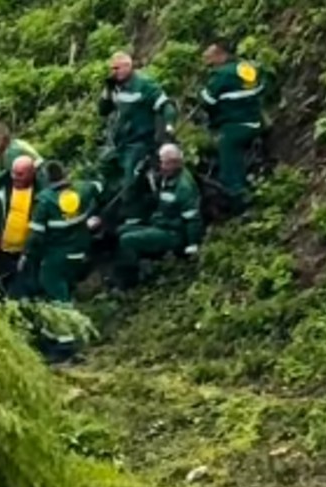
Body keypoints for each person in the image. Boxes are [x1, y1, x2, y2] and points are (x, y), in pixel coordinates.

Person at [98, 51, 178, 227]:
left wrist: (169, 127)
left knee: (131, 179)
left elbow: (167, 106)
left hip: (139, 142)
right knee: (103, 167)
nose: (114, 72)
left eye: (117, 68)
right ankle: (109, 208)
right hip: (120, 142)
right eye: (112, 69)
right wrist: (107, 90)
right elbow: (103, 110)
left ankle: (134, 217)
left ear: (128, 66)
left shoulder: (144, 85)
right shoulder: (115, 87)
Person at [115, 144, 203, 289]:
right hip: (159, 223)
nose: (160, 166)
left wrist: (193, 245)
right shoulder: (166, 179)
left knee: (127, 240)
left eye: (164, 163)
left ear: (174, 163)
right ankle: (141, 263)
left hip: (173, 233)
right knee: (121, 230)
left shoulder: (184, 187)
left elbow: (193, 218)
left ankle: (129, 282)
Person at [200, 41, 267, 214]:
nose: (207, 58)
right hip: (255, 121)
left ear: (221, 55)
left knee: (228, 155)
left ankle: (237, 197)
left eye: (210, 54)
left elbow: (207, 101)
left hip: (235, 126)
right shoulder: (247, 67)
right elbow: (261, 88)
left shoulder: (221, 75)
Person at [22, 161, 102, 303]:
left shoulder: (45, 202)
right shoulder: (82, 188)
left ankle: (68, 312)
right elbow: (99, 186)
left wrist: (26, 256)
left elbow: (35, 238)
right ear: (65, 173)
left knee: (49, 278)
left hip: (61, 254)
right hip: (83, 247)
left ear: (46, 179)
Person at [0, 155, 40, 299]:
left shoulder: (41, 189)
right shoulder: (0, 183)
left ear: (31, 173)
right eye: (13, 172)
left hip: (25, 255)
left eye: (20, 174)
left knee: (19, 293)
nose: (15, 177)